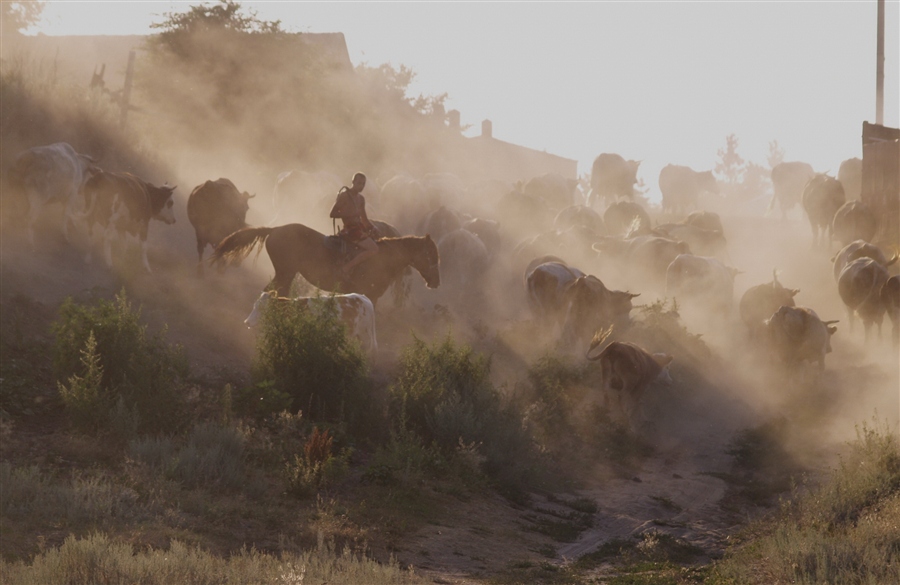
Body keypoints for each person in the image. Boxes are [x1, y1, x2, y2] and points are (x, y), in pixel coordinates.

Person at [330, 172, 378, 278]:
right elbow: (332, 213)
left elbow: (364, 219)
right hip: (349, 230)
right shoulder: (344, 196)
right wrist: (348, 214)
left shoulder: (361, 199)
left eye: (363, 184)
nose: (361, 186)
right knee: (373, 249)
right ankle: (346, 268)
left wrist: (372, 227)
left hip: (359, 228)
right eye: (359, 183)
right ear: (353, 182)